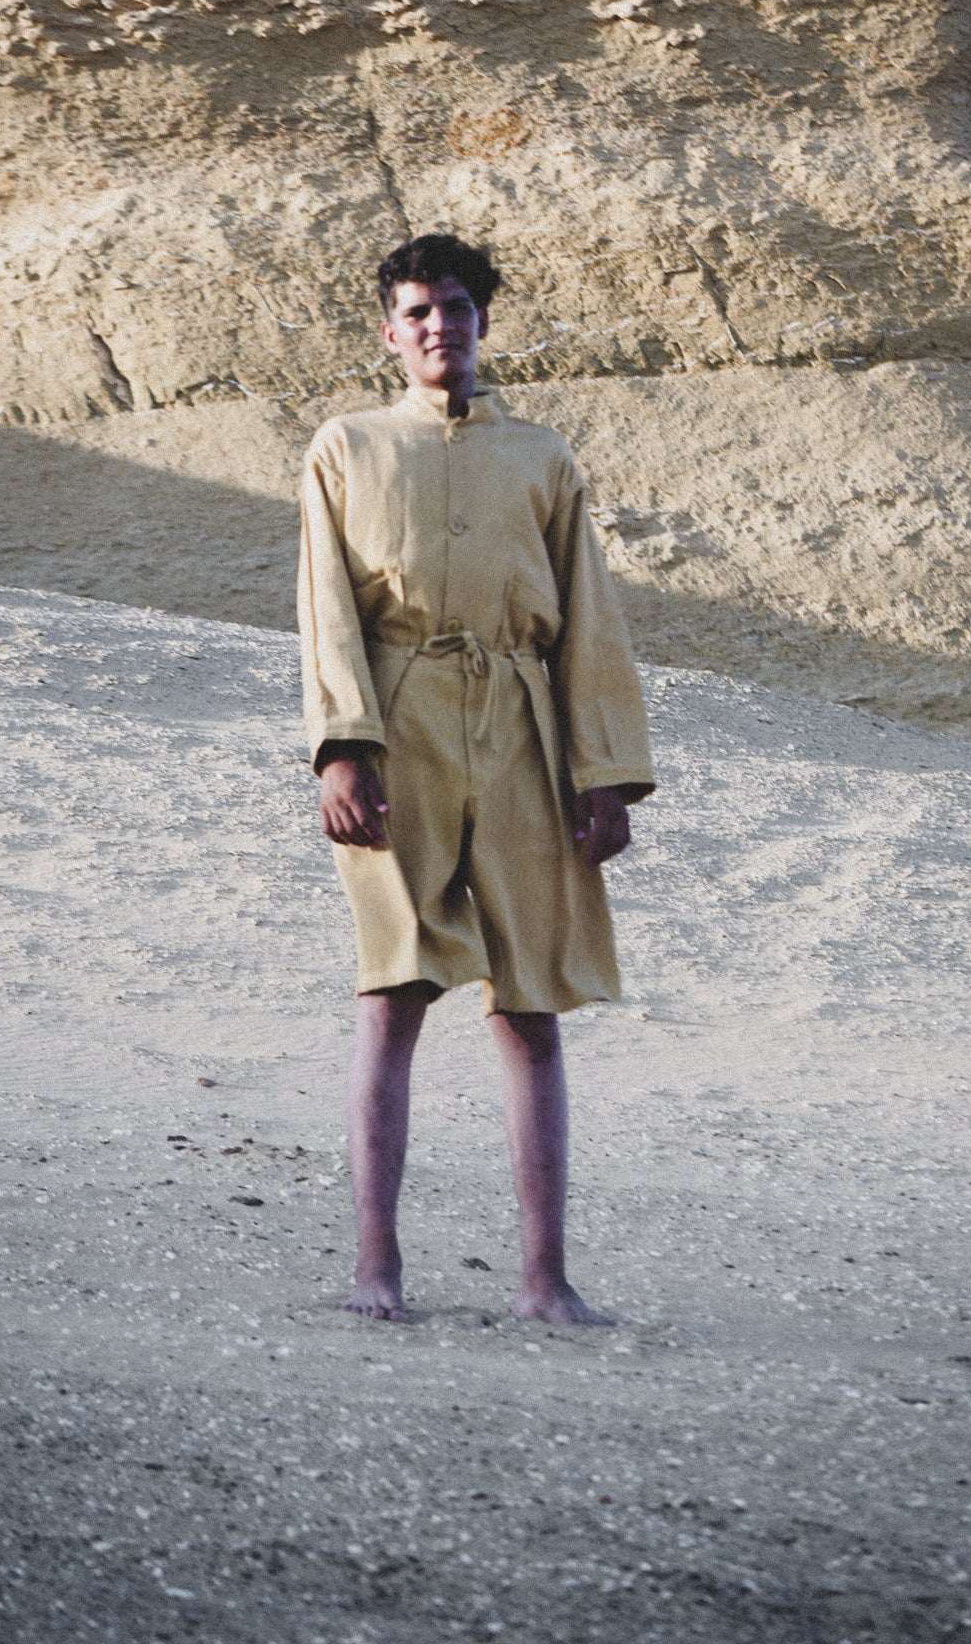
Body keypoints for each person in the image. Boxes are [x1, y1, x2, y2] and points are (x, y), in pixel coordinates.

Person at [297, 232, 655, 1325]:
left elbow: (590, 618)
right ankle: (375, 1270)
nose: (437, 326)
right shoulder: (345, 447)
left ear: (483, 319)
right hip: (399, 726)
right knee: (391, 996)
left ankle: (546, 1281)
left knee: (531, 1010)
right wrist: (342, 746)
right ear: (389, 329)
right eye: (416, 311)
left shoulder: (543, 456)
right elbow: (327, 610)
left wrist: (605, 771)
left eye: (455, 307)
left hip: (521, 727)